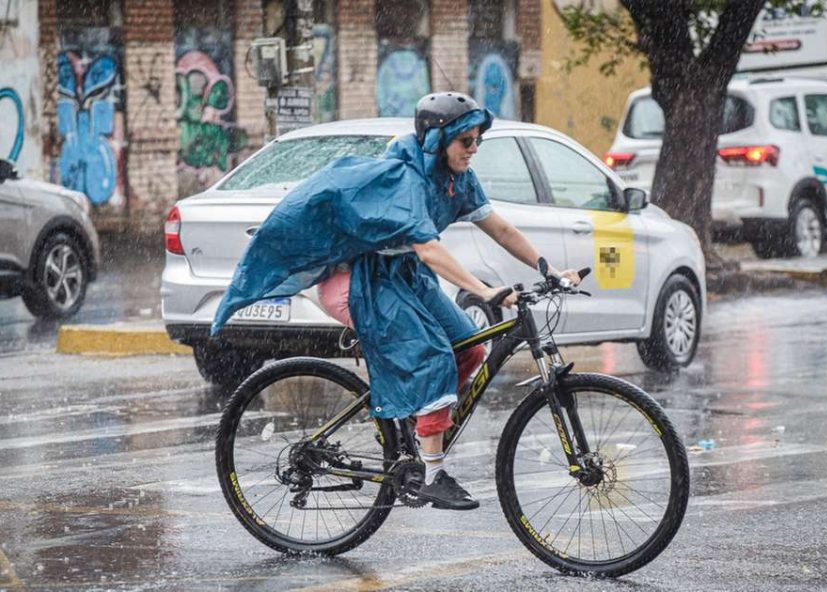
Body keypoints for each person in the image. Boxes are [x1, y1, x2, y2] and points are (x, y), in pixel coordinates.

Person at [212, 91, 581, 510]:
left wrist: (546, 268)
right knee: (430, 357)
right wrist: (485, 290)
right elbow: (429, 250)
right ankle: (433, 474)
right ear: (437, 142)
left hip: (400, 274)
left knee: (471, 347)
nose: (474, 149)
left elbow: (501, 230)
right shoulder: (405, 181)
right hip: (354, 279)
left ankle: (417, 424)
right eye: (467, 141)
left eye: (478, 140)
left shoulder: (457, 178)